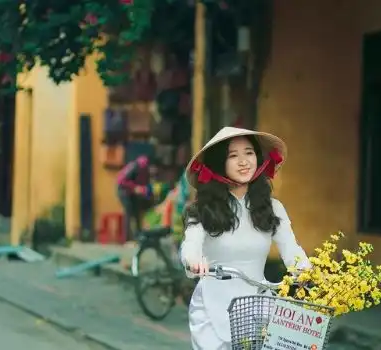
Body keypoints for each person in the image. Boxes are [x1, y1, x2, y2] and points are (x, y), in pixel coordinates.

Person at [179, 127, 312, 349]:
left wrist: (306, 271)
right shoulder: (202, 210)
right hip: (213, 306)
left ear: (258, 159)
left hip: (258, 303)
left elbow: (292, 250)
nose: (243, 161)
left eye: (249, 153)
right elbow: (190, 245)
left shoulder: (273, 208)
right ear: (219, 163)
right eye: (233, 155)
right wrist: (193, 260)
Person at [116, 155, 160, 241]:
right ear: (151, 166)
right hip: (124, 191)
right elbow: (121, 181)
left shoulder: (147, 172)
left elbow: (146, 186)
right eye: (155, 169)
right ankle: (127, 239)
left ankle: (138, 236)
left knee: (137, 212)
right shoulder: (136, 166)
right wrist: (135, 187)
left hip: (133, 192)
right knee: (129, 212)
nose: (155, 172)